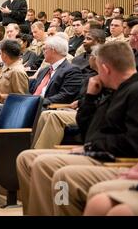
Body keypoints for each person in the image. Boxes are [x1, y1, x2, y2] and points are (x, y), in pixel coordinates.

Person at [16, 41, 138, 216]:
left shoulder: (134, 91)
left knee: (57, 175)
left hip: (115, 158)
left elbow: (132, 143)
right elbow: (89, 129)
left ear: (105, 68)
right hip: (98, 151)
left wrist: (93, 145)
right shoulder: (114, 89)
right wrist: (89, 97)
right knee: (26, 158)